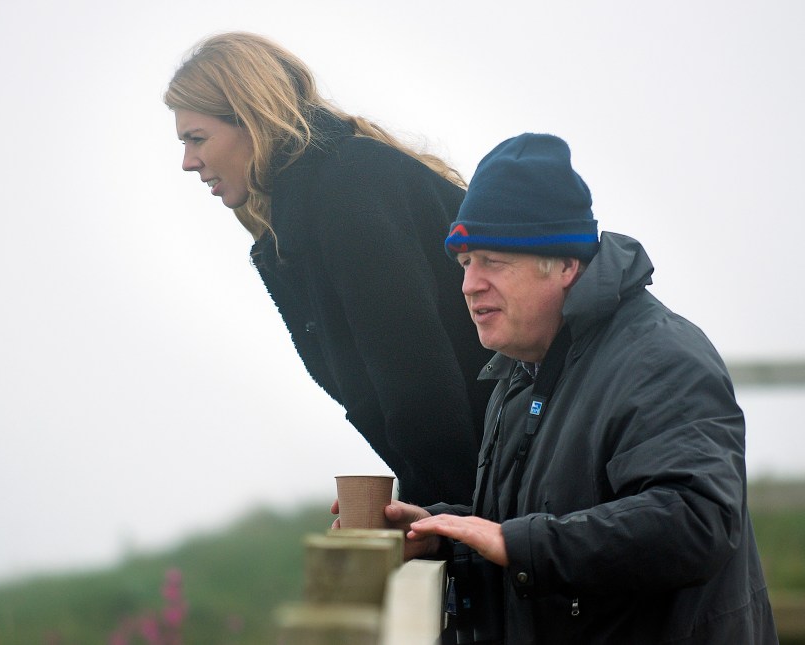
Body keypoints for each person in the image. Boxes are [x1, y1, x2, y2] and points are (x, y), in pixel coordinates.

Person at [377, 133, 778, 643]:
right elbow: (525, 532)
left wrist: (518, 544)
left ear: (566, 264)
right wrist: (438, 535)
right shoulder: (523, 370)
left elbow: (697, 521)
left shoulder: (659, 358)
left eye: (493, 262)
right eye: (465, 263)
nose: (469, 284)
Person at [163, 32, 494, 506]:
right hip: (503, 484)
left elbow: (418, 378)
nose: (187, 162)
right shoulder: (319, 197)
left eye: (197, 139)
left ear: (252, 120)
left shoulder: (347, 190)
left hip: (530, 484)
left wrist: (441, 517)